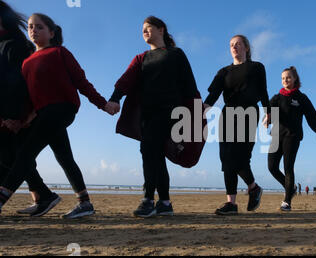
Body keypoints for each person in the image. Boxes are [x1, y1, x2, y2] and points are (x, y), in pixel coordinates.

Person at [0, 13, 112, 218]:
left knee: (25, 154)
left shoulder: (60, 52)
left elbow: (81, 82)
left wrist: (103, 104)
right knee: (64, 157)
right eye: (31, 27)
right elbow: (31, 97)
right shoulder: (27, 63)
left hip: (62, 108)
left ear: (51, 33)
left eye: (40, 27)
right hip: (44, 113)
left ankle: (2, 197)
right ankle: (84, 203)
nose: (34, 30)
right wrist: (24, 120)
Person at [108, 16, 200, 218]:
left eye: (149, 28)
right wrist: (115, 98)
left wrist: (195, 114)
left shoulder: (175, 54)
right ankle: (165, 203)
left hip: (171, 111)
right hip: (147, 114)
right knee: (155, 154)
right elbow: (126, 78)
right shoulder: (141, 58)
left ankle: (148, 199)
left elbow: (190, 85)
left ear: (161, 29)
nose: (145, 31)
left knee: (148, 148)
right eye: (143, 29)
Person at [0, 2, 62, 217]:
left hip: (21, 114)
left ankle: (45, 196)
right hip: (12, 114)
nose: (33, 30)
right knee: (14, 155)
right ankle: (43, 195)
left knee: (13, 155)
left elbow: (19, 85)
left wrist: (16, 117)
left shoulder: (15, 44)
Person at [204, 35, 270, 215]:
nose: (234, 47)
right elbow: (213, 94)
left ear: (246, 48)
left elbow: (263, 90)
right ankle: (232, 203)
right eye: (231, 45)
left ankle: (253, 187)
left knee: (239, 156)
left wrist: (268, 112)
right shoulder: (223, 71)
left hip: (248, 113)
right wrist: (203, 108)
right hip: (227, 114)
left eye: (238, 44)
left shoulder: (256, 67)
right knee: (225, 157)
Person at [263, 66, 316, 211]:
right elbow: (268, 110)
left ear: (294, 79)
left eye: (288, 77)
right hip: (276, 136)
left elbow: (313, 117)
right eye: (283, 78)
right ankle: (290, 189)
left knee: (288, 167)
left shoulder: (301, 98)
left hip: (292, 136)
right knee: (272, 167)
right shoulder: (277, 97)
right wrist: (267, 118)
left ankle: (287, 201)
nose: (285, 80)